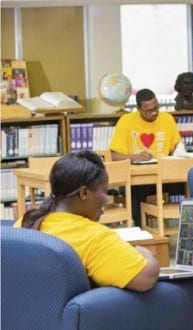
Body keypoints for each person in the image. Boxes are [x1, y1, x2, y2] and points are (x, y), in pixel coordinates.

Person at [14, 150, 159, 291]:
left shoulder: (25, 223)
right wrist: (144, 253)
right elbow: (146, 278)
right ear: (84, 193)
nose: (106, 199)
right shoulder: (94, 238)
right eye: (104, 191)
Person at [109, 88, 183, 224]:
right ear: (138, 109)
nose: (154, 113)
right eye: (149, 110)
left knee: (188, 182)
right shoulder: (126, 121)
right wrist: (134, 157)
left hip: (163, 175)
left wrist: (179, 153)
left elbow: (177, 148)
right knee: (136, 190)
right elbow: (113, 156)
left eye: (156, 108)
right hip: (137, 178)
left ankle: (184, 225)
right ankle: (140, 228)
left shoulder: (167, 119)